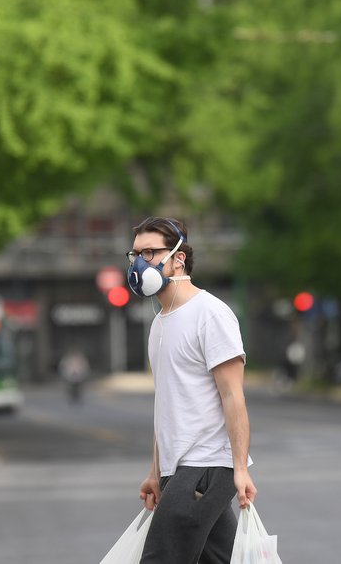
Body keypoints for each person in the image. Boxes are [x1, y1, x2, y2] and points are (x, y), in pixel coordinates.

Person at [125, 216, 256, 564]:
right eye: (135, 254)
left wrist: (239, 468)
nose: (140, 262)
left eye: (150, 252)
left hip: (207, 466)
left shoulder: (210, 314)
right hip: (177, 469)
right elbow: (166, 405)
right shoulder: (159, 324)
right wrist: (156, 471)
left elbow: (233, 396)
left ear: (178, 258)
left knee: (159, 558)